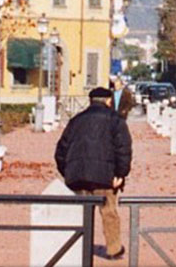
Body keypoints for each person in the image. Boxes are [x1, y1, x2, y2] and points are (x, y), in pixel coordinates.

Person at [55, 87, 131, 259]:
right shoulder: (115, 120)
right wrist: (120, 174)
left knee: (79, 213)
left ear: (90, 101)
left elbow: (61, 150)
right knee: (109, 212)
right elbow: (123, 149)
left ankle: (75, 247)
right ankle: (114, 249)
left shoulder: (76, 120)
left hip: (78, 175)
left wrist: (67, 171)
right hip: (105, 177)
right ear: (109, 101)